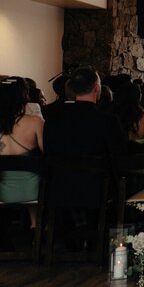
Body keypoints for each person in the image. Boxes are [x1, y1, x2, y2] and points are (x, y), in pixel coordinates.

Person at [43, 67, 126, 208]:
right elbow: (120, 153)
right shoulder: (108, 121)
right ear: (97, 88)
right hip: (97, 190)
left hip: (59, 188)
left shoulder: (52, 120)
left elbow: (47, 151)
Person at [0, 77, 45, 223]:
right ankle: (35, 224)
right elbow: (46, 151)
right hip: (32, 191)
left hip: (2, 191)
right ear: (24, 96)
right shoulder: (36, 122)